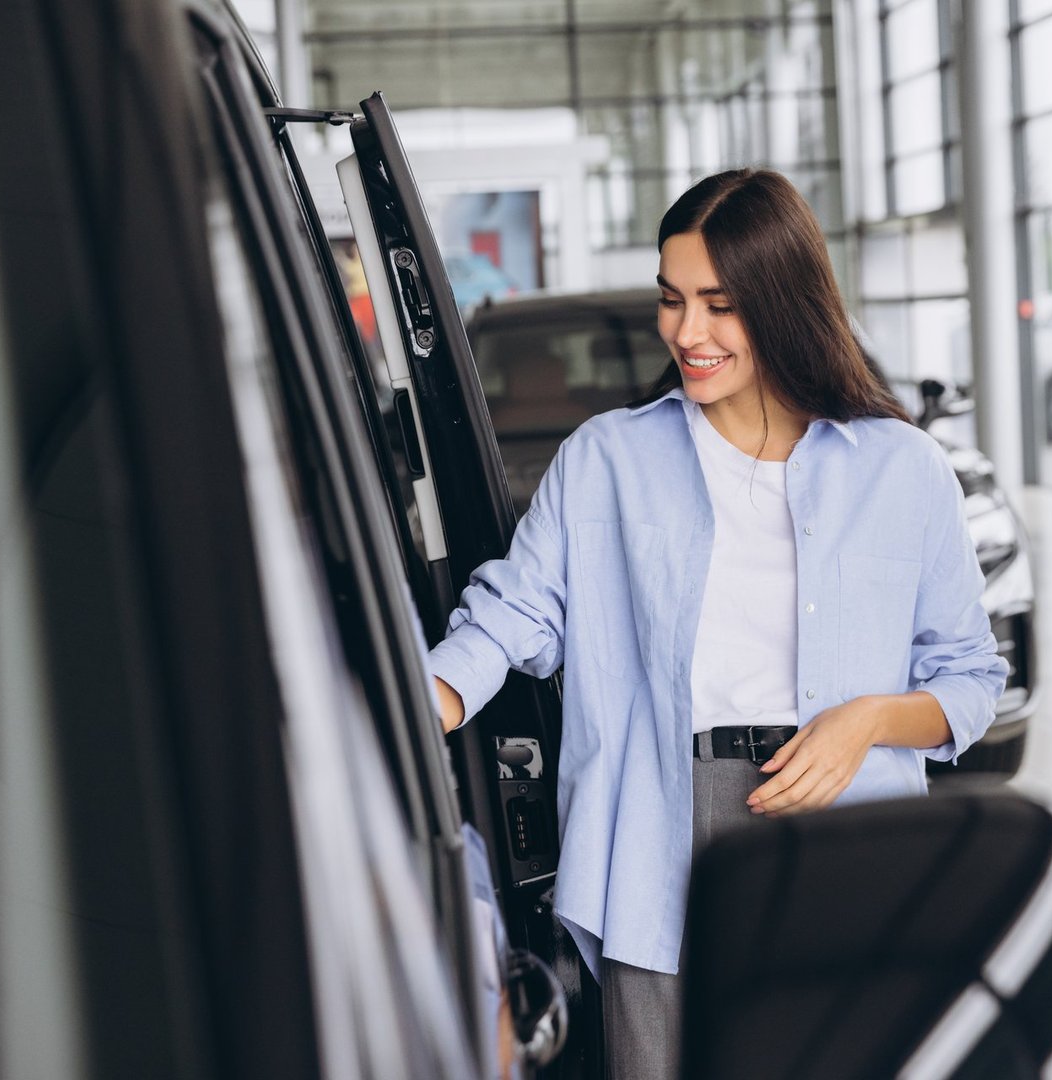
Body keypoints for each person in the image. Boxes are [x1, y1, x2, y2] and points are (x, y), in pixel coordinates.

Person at [428, 168, 1008, 1078]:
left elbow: (970, 677)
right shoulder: (608, 460)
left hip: (842, 825)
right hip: (660, 820)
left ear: (783, 304)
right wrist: (429, 698)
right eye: (671, 300)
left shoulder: (903, 469)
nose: (686, 333)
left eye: (718, 304)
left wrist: (865, 724)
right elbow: (515, 610)